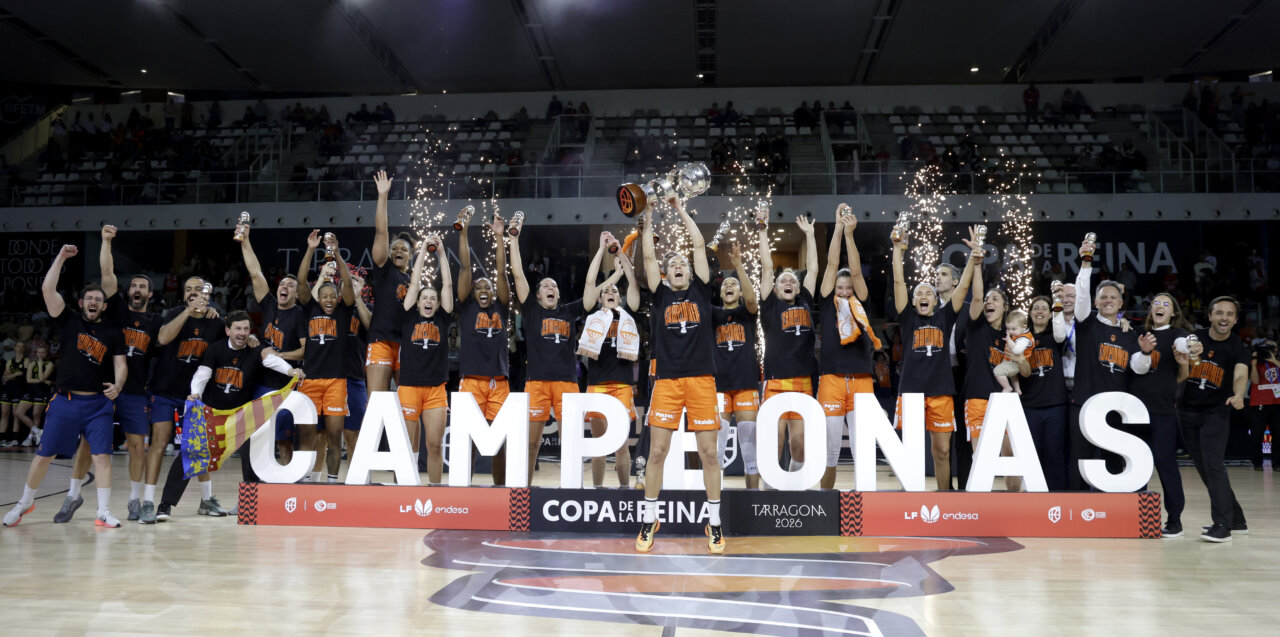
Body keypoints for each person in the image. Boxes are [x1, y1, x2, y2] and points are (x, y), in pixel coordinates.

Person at [4, 245, 126, 529]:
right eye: (89, 298)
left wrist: (119, 384)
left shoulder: (112, 332)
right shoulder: (68, 320)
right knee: (44, 455)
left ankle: (104, 511)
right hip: (65, 401)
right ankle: (24, 504)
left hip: (98, 403)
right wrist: (60, 258)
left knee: (102, 457)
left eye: (99, 299)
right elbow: (48, 290)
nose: (94, 302)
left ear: (104, 306)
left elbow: (121, 364)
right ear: (82, 302)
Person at [636, 196, 725, 554]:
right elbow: (646, 257)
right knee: (657, 452)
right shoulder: (659, 297)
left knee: (709, 454)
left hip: (702, 380)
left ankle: (715, 523)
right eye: (671, 263)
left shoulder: (701, 291)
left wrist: (678, 208)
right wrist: (650, 216)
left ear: (690, 273)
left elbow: (699, 244)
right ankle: (650, 518)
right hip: (668, 382)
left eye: (681, 264)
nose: (676, 265)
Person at [56, 226, 160, 523]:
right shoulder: (114, 310)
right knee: (87, 445)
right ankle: (73, 495)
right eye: (134, 286)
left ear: (150, 294)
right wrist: (106, 240)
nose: (137, 289)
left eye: (143, 286)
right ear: (128, 291)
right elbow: (106, 271)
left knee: (138, 445)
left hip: (134, 389)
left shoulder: (155, 321)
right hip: (101, 387)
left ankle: (134, 500)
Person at [1059, 236, 1151, 492]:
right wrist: (1086, 264)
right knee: (1080, 461)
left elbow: (1138, 367)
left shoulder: (1130, 334)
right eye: (1103, 297)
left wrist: (1144, 354)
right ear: (1096, 302)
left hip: (1117, 409)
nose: (1108, 300)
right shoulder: (1086, 323)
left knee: (1115, 464)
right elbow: (1081, 295)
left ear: (1121, 303)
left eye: (1113, 297)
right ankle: (1075, 513)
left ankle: (1114, 513)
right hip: (1084, 405)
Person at [891, 225, 979, 490]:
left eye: (928, 292)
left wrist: (974, 257)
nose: (923, 295)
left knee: (941, 450)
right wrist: (897, 249)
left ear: (935, 299)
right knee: (912, 452)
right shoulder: (907, 316)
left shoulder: (944, 315)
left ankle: (944, 497)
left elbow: (963, 288)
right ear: (913, 300)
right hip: (911, 392)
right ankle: (913, 502)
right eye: (919, 292)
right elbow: (898, 280)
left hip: (940, 391)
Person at [180, 311, 301, 503]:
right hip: (213, 413)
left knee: (250, 452)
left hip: (239, 414)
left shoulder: (254, 350)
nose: (242, 332)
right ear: (228, 330)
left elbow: (270, 360)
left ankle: (250, 502)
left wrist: (290, 370)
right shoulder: (215, 349)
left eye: (246, 329)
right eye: (238, 328)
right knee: (196, 453)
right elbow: (202, 375)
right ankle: (196, 501)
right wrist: (196, 394)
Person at [508, 224, 584, 485]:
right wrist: (513, 239)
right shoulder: (531, 310)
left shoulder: (568, 311)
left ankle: (572, 492)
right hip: (537, 382)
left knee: (571, 444)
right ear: (538, 294)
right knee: (530, 444)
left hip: (567, 383)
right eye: (545, 286)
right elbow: (518, 275)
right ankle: (524, 490)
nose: (550, 287)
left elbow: (591, 289)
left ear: (558, 294)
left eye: (554, 285)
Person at [147, 277, 227, 523]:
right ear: (184, 295)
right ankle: (149, 502)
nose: (193, 292)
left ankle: (206, 499)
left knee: (198, 447)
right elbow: (162, 339)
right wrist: (186, 313)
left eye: (198, 289)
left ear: (207, 294)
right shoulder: (173, 313)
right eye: (188, 289)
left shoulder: (216, 322)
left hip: (194, 395)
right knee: (159, 443)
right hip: (164, 390)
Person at [1181, 297, 1250, 542]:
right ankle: (1237, 519)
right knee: (1204, 468)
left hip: (1216, 412)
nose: (1224, 318)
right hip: (1186, 412)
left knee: (1213, 466)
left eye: (1230, 314)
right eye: (1219, 313)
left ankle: (1223, 525)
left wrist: (1239, 394)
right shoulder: (1194, 338)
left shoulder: (1238, 347)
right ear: (1209, 316)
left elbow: (1241, 374)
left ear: (1235, 319)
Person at [289, 231, 356, 483]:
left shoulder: (343, 311)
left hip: (336, 382)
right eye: (324, 296)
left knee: (334, 435)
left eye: (332, 296)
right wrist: (310, 249)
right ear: (319, 297)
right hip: (311, 380)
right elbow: (301, 280)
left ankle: (331, 483)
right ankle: (303, 477)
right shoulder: (309, 308)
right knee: (306, 434)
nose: (328, 300)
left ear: (337, 298)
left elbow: (348, 285)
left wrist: (336, 253)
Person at [757, 215, 820, 484]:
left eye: (792, 280)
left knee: (799, 446)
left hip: (803, 379)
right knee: (775, 442)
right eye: (784, 280)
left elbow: (814, 269)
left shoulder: (805, 299)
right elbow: (767, 266)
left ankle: (793, 486)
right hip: (775, 380)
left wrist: (809, 235)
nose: (788, 282)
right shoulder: (770, 306)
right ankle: (770, 490)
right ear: (775, 287)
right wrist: (762, 230)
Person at [237, 221, 304, 464]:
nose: (285, 287)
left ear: (297, 294)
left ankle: (287, 493)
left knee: (284, 440)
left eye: (291, 286)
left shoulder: (298, 315)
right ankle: (255, 492)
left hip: (285, 386)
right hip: (261, 382)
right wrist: (245, 241)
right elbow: (255, 272)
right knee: (255, 437)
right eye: (283, 284)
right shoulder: (269, 305)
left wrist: (277, 355)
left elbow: (304, 351)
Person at [816, 208, 873, 490]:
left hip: (861, 380)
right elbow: (829, 265)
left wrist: (851, 235)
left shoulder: (860, 302)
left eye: (848, 287)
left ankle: (865, 501)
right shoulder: (828, 303)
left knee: (863, 449)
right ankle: (825, 501)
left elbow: (858, 271)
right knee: (830, 450)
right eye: (840, 286)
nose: (844, 291)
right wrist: (837, 228)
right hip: (832, 379)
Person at [579, 235, 640, 488]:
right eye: (607, 291)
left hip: (623, 385)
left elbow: (632, 281)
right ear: (600, 298)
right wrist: (602, 249)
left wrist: (623, 258)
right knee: (599, 443)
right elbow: (591, 281)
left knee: (621, 443)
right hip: (598, 384)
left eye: (615, 290)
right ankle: (597, 490)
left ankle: (625, 489)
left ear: (620, 297)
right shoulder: (592, 313)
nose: (611, 291)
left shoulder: (628, 315)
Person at [455, 211, 512, 484]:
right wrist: (463, 231)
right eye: (478, 287)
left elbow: (501, 272)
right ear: (472, 293)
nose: (484, 289)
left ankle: (500, 491)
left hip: (498, 381)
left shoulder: (501, 306)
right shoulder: (466, 309)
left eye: (487, 286)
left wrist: (500, 238)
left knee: (500, 442)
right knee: (471, 441)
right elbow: (466, 269)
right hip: (472, 381)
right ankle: (464, 491)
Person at [964, 272, 1032, 491]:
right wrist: (977, 265)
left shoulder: (1012, 335)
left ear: (1005, 307)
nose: (988, 302)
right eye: (987, 299)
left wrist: (1020, 358)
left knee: (1010, 455)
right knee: (980, 456)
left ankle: (1014, 503)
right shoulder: (976, 326)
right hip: (977, 397)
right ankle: (978, 510)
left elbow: (1025, 371)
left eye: (995, 299)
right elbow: (976, 297)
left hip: (1004, 402)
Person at [1130, 292, 1191, 537]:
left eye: (1166, 304)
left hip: (1163, 410)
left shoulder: (1177, 334)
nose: (1160, 306)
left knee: (1165, 464)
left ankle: (1174, 520)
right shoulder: (1137, 334)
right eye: (1156, 302)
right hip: (1134, 411)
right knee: (1138, 467)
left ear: (1173, 312)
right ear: (1150, 309)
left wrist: (1188, 348)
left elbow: (1183, 345)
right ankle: (1138, 518)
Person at [399, 236, 454, 484]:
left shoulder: (443, 319)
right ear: (418, 303)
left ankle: (434, 491)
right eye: (425, 298)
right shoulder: (409, 316)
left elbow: (448, 287)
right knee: (407, 446)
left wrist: (441, 255)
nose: (429, 301)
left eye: (433, 298)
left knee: (434, 446)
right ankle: (408, 495)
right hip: (409, 387)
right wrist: (422, 251)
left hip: (435, 390)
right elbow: (413, 283)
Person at [710, 241, 761, 487]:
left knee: (751, 454)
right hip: (718, 386)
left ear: (739, 293)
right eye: (726, 285)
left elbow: (752, 300)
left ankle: (752, 502)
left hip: (745, 385)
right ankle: (713, 507)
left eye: (734, 285)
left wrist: (738, 266)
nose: (729, 286)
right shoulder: (713, 315)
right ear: (721, 293)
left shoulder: (747, 313)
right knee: (716, 452)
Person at [365, 170, 409, 398]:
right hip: (381, 339)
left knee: (408, 406)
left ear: (410, 257)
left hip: (405, 344)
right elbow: (382, 231)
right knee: (376, 404)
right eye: (396, 248)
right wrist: (383, 196)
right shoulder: (384, 268)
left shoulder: (414, 283)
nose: (399, 250)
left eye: (404, 249)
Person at [1020, 295, 1070, 490]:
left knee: (1055, 454)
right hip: (1029, 406)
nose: (1039, 311)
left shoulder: (1056, 337)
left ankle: (1058, 497)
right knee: (1032, 455)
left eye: (1043, 308)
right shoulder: (1022, 340)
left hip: (1055, 406)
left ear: (1051, 315)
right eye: (1035, 308)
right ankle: (1034, 498)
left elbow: (1062, 329)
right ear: (1030, 314)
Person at [1247, 338, 1279, 471]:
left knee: (1278, 434)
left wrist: (1274, 361)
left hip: (1277, 403)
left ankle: (1277, 464)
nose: (1272, 349)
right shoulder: (1257, 362)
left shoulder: (1277, 362)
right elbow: (1254, 381)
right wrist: (1254, 364)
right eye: (1269, 347)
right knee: (1257, 435)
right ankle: (1257, 463)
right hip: (1259, 403)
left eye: (1274, 347)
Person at [16, 344, 52, 447]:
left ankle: (30, 438)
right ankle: (37, 431)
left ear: (46, 353)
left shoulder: (50, 364)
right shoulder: (32, 364)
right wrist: (43, 380)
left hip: (42, 391)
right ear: (36, 353)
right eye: (39, 352)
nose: (41, 354)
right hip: (31, 390)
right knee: (18, 413)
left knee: (36, 415)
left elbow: (41, 378)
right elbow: (29, 380)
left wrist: (40, 366)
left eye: (43, 352)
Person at [994, 310, 1034, 395]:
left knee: (997, 371)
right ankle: (1017, 389)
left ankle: (1007, 387)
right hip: (1011, 361)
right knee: (1012, 375)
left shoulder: (1024, 338)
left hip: (1016, 363)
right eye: (1008, 329)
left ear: (1024, 327)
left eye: (1013, 329)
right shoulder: (1018, 334)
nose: (1010, 331)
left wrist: (1009, 340)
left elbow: (1017, 350)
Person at [0, 341, 28, 447]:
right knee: (4, 414)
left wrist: (13, 374)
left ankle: (15, 438)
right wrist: (15, 374)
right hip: (8, 388)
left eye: (22, 346)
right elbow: (6, 376)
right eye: (18, 346)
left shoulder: (26, 360)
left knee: (15, 414)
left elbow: (22, 373)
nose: (20, 348)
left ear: (24, 349)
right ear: (15, 348)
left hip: (18, 388)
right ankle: (2, 438)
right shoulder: (10, 361)